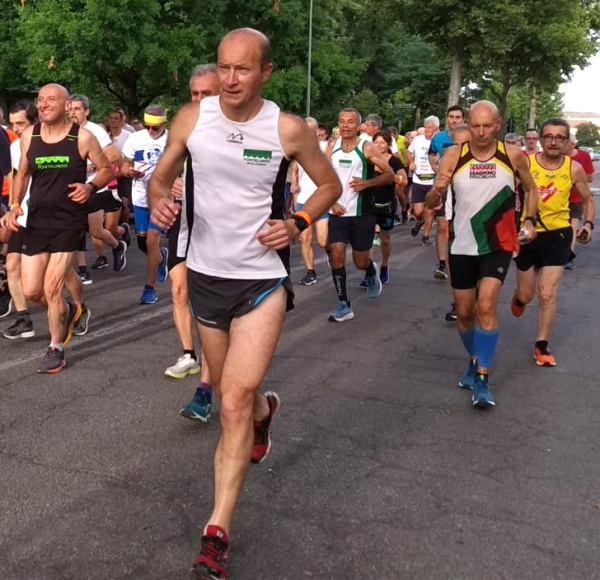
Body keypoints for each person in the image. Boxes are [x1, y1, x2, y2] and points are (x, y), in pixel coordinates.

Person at [148, 28, 341, 578]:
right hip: (206, 274)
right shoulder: (193, 120)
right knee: (242, 394)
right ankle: (265, 412)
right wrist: (162, 205)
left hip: (259, 279)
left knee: (230, 399)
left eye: (242, 69)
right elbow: (160, 181)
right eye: (223, 68)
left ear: (265, 74)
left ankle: (217, 529)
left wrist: (297, 223)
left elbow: (329, 187)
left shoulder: (287, 129)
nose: (229, 79)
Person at [426, 100, 539, 407]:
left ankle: (483, 379)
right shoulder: (454, 154)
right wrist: (437, 188)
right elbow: (431, 199)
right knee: (464, 312)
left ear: (498, 125)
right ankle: (475, 359)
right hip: (462, 243)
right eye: (474, 126)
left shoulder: (512, 154)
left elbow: (530, 189)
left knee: (486, 304)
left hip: (499, 243)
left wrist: (528, 219)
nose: (480, 132)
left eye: (486, 126)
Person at [1, 84, 113, 373]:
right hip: (37, 221)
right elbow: (21, 174)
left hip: (68, 222)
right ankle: (73, 309)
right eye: (40, 100)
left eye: (51, 99)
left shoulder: (82, 137)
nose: (44, 104)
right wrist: (14, 206)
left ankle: (56, 347)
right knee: (32, 290)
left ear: (66, 106)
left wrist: (89, 187)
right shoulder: (30, 136)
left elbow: (106, 169)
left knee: (52, 288)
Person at [511, 118, 595, 366]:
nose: (554, 141)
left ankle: (541, 345)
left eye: (560, 137)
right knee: (527, 294)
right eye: (549, 136)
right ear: (540, 139)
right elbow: (506, 193)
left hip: (558, 234)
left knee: (547, 293)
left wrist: (588, 224)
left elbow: (588, 200)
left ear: (567, 141)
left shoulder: (573, 169)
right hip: (528, 234)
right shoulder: (526, 164)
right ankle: (519, 299)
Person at [326, 108, 394, 322]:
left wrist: (368, 183)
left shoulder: (366, 147)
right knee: (336, 253)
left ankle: (370, 271)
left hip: (362, 213)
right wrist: (332, 201)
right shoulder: (332, 147)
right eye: (342, 121)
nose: (345, 125)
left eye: (350, 122)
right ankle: (344, 304)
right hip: (337, 212)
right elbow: (324, 177)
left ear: (358, 126)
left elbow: (389, 175)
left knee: (359, 261)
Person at [121, 105, 169, 304]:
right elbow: (125, 164)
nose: (150, 130)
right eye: (148, 126)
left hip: (161, 197)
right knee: (144, 243)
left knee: (151, 241)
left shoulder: (173, 139)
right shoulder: (135, 138)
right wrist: (128, 172)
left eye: (155, 128)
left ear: (164, 124)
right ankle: (159, 258)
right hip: (140, 196)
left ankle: (149, 289)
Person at [1, 100, 39, 338]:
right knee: (12, 264)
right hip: (24, 214)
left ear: (35, 121)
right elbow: (16, 178)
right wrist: (13, 207)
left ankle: (76, 307)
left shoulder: (53, 142)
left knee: (55, 277)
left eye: (21, 124)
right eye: (13, 124)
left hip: (50, 216)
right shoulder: (16, 146)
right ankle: (23, 319)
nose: (16, 129)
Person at [289, 117, 330, 286]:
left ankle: (331, 251)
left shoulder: (326, 148)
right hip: (303, 201)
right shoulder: (297, 149)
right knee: (305, 238)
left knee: (322, 241)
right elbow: (294, 170)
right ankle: (310, 272)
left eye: (312, 130)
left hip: (321, 200)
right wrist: (293, 185)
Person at [428, 106, 465, 280]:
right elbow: (432, 156)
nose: (454, 120)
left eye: (458, 117)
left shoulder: (469, 137)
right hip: (444, 186)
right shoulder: (438, 138)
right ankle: (442, 263)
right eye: (451, 116)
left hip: (464, 187)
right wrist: (438, 170)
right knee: (442, 225)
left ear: (463, 119)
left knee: (459, 226)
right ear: (447, 118)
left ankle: (460, 260)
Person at [369, 130, 407, 284]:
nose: (379, 146)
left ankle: (384, 266)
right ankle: (370, 272)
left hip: (387, 204)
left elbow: (403, 180)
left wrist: (391, 176)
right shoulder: (369, 160)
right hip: (369, 203)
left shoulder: (394, 161)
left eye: (382, 143)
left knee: (385, 239)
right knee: (368, 240)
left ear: (388, 144)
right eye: (376, 142)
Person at [564, 135, 595, 270]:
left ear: (573, 144)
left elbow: (590, 178)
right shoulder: (558, 156)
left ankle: (568, 255)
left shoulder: (583, 156)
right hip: (559, 196)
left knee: (573, 224)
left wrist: (577, 175)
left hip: (576, 197)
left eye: (568, 143)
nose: (565, 145)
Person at [407, 116, 439, 246]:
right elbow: (409, 152)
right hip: (418, 179)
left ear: (436, 129)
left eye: (430, 128)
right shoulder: (417, 140)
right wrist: (411, 162)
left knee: (430, 210)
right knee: (418, 211)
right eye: (426, 127)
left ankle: (425, 236)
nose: (427, 130)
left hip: (432, 179)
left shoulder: (438, 141)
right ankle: (419, 221)